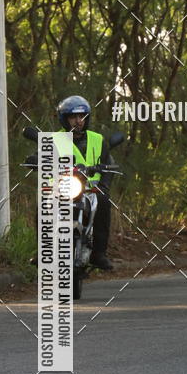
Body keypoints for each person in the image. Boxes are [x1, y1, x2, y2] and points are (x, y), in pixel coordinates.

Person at [58, 95, 115, 270]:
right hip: (61, 189)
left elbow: (109, 164)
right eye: (73, 117)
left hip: (91, 190)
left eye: (81, 116)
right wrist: (34, 159)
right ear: (65, 119)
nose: (78, 121)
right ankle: (42, 251)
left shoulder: (98, 139)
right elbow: (42, 159)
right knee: (42, 205)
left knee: (104, 202)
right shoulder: (53, 140)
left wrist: (103, 184)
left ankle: (99, 253)